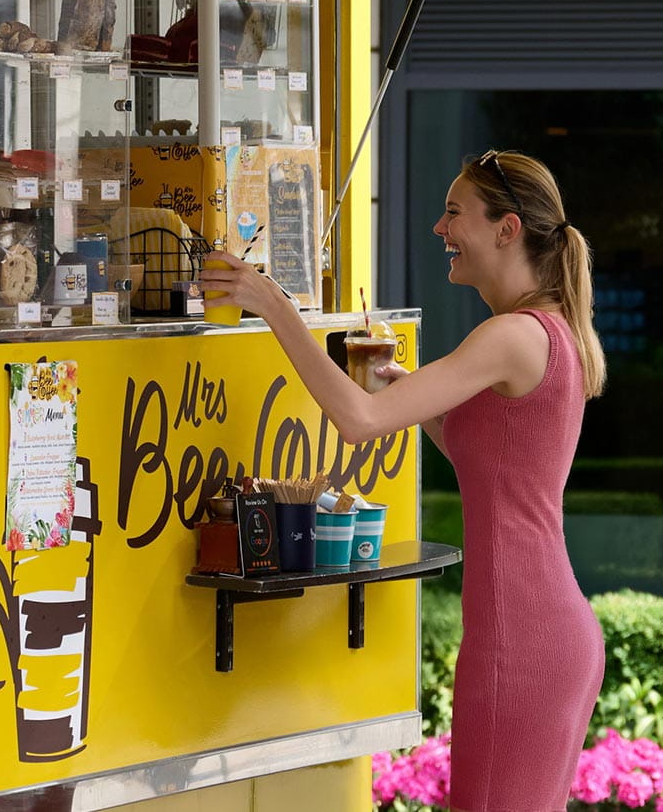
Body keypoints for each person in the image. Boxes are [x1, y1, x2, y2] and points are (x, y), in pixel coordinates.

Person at [199, 150, 607, 811]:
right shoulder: (552, 332)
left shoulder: (512, 335)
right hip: (544, 628)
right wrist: (409, 398)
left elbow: (358, 421)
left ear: (507, 229)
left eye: (455, 212)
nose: (440, 228)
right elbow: (494, 463)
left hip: (521, 639)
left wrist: (273, 304)